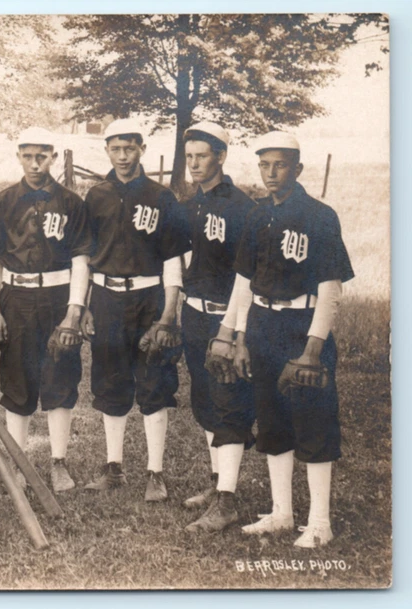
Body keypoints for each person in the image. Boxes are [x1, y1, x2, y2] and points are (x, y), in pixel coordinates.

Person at [218, 131, 353, 548]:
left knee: (312, 422)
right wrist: (239, 337)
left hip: (302, 324)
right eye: (264, 164)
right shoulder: (258, 215)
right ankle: (282, 513)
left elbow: (330, 288)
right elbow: (244, 281)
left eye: (280, 164)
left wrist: (313, 348)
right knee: (273, 421)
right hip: (262, 324)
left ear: (297, 168)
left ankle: (320, 522)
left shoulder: (320, 215)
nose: (271, 172)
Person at [82, 118, 190, 502]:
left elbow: (173, 259)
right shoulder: (96, 196)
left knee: (153, 384)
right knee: (111, 382)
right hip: (107, 298)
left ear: (142, 148)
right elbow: (86, 258)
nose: (123, 156)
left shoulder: (162, 197)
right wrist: (86, 306)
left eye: (130, 148)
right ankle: (113, 467)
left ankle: (155, 472)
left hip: (150, 299)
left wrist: (168, 314)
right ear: (107, 150)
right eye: (116, 148)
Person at [0, 127, 92, 493]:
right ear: (18, 155)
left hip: (56, 297)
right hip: (14, 299)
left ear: (52, 156)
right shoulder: (2, 202)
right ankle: (18, 464)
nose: (35, 164)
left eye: (42, 156)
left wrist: (73, 312)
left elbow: (81, 257)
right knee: (16, 378)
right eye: (28, 156)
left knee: (60, 376)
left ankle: (58, 462)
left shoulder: (71, 203)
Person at [174, 122, 257, 532]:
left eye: (201, 156)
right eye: (189, 156)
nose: (193, 164)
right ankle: (216, 483)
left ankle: (228, 501)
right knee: (205, 400)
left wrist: (233, 329)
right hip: (194, 313)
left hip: (226, 316)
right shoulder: (190, 206)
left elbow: (247, 277)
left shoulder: (242, 208)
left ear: (221, 156)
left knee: (229, 403)